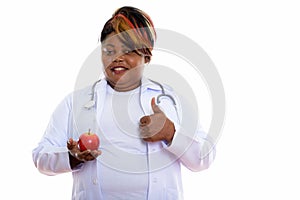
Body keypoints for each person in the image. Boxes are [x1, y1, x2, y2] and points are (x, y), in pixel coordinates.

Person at [32, 6, 215, 200]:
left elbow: (204, 158)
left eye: (128, 50)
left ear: (147, 55)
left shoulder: (172, 100)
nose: (117, 58)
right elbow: (41, 155)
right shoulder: (75, 103)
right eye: (109, 50)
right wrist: (71, 158)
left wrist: (170, 133)